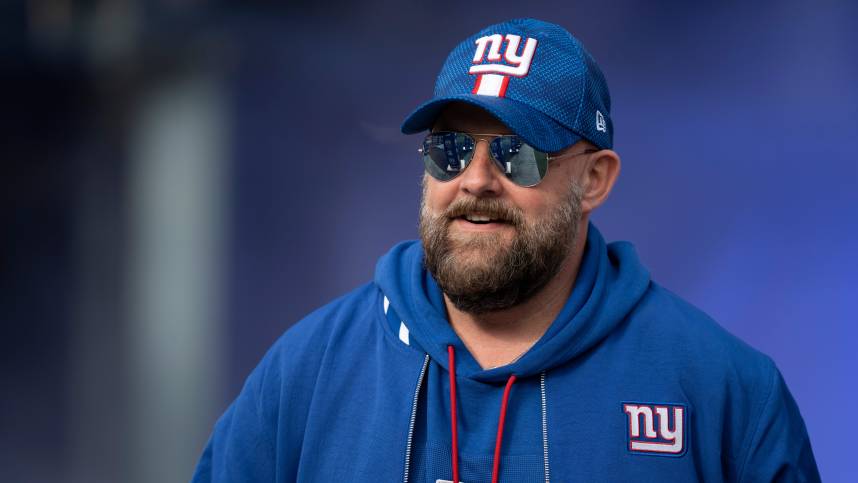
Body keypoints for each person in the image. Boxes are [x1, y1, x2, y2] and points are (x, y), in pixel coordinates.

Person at [192, 18, 820, 482]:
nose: (475, 180)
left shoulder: (720, 390)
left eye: (517, 152)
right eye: (452, 149)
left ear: (594, 179)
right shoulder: (308, 371)